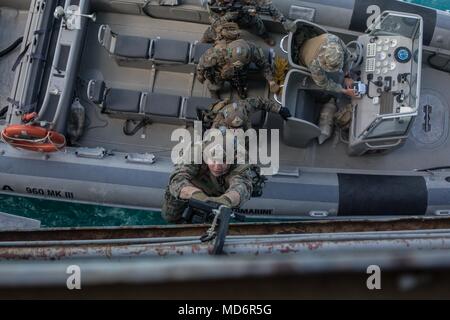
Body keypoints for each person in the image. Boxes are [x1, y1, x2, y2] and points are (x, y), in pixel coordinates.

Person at [161, 145, 254, 224]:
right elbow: (177, 179)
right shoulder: (194, 152)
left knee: (212, 225)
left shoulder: (241, 160)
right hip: (190, 187)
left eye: (224, 161)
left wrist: (226, 200)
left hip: (220, 193)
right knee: (169, 217)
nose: (217, 166)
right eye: (213, 160)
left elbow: (242, 187)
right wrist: (198, 195)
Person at [196, 38, 279, 99]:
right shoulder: (217, 53)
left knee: (241, 82)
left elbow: (263, 64)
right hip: (222, 70)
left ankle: (241, 90)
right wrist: (200, 74)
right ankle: (214, 90)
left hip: (242, 72)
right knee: (216, 83)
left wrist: (271, 80)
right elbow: (202, 62)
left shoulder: (252, 49)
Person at [206, 0, 294, 46]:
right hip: (227, 25)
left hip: (247, 18)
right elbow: (213, 21)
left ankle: (266, 38)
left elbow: (268, 5)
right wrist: (226, 18)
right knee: (225, 39)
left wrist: (283, 20)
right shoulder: (213, 4)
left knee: (259, 27)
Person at [202, 97, 291, 131]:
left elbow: (262, 102)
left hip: (246, 124)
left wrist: (279, 109)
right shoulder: (219, 124)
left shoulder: (245, 106)